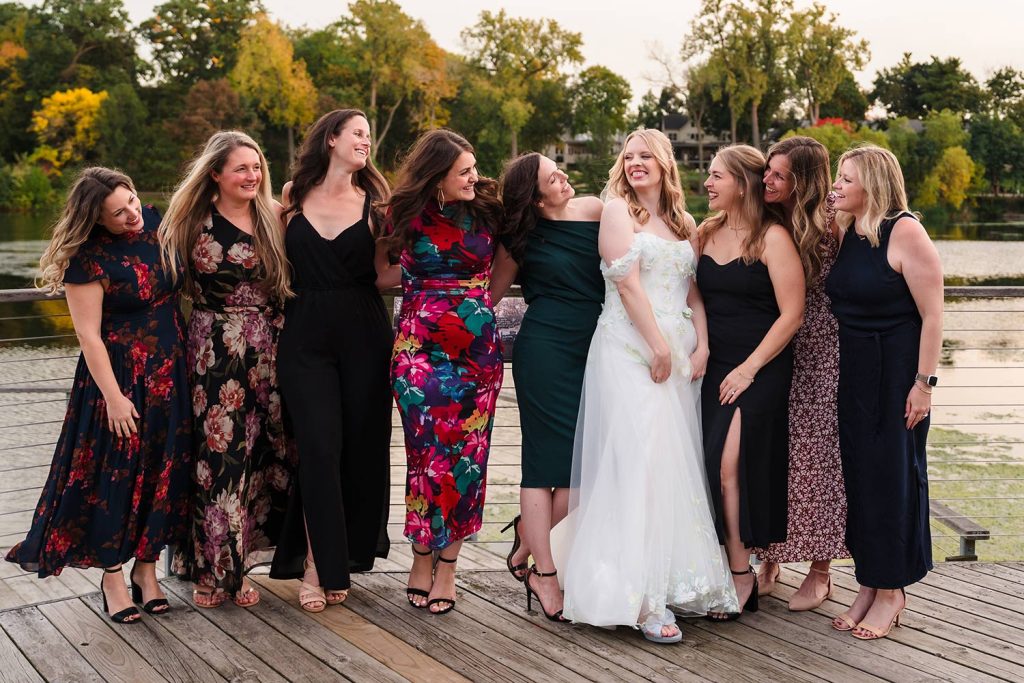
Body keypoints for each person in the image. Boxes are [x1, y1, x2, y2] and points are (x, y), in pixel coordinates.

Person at [559, 129, 738, 644]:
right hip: (629, 352)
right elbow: (628, 285)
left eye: (645, 156)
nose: (635, 163)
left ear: (664, 163)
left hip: (678, 360)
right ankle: (640, 599)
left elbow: (693, 291)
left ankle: (670, 580)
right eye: (628, 156)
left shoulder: (682, 222)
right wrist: (659, 345)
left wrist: (700, 345)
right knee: (635, 463)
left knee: (666, 467)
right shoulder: (618, 211)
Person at [6, 168, 192, 623]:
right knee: (115, 475)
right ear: (97, 220)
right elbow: (89, 337)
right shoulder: (87, 260)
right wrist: (113, 398)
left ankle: (146, 571)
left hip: (174, 373)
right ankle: (112, 575)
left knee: (164, 470)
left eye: (131, 202)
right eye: (118, 213)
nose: (132, 216)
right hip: (119, 381)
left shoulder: (156, 223)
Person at [160, 131, 295, 609]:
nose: (251, 176)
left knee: (266, 453)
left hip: (271, 350)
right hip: (213, 351)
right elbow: (160, 283)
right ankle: (217, 571)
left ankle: (249, 561)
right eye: (241, 168)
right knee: (219, 458)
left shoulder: (274, 217)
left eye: (256, 166)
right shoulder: (190, 222)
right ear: (215, 173)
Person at [268, 109, 392, 612]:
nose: (366, 141)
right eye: (358, 133)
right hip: (303, 335)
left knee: (359, 449)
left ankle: (341, 557)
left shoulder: (377, 205)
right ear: (332, 139)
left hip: (364, 332)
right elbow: (274, 262)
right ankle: (319, 568)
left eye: (368, 134)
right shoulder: (291, 195)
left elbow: (385, 276)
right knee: (317, 447)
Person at [380, 129, 505, 615]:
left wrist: (476, 305)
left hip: (476, 352)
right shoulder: (401, 214)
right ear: (438, 176)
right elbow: (379, 272)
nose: (474, 177)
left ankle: (448, 565)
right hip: (417, 351)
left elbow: (507, 264)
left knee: (468, 453)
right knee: (424, 454)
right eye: (464, 171)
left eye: (474, 168)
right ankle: (420, 553)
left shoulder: (488, 210)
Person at [825, 145, 942, 640]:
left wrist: (924, 385)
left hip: (898, 375)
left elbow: (934, 315)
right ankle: (869, 582)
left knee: (893, 480)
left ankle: (893, 591)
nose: (836, 187)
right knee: (862, 481)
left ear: (871, 183)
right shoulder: (848, 230)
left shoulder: (905, 230)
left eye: (846, 180)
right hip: (854, 373)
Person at [491, 152, 604, 621]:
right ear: (533, 198)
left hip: (598, 351)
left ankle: (525, 536)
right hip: (544, 352)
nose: (564, 176)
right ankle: (546, 573)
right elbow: (491, 295)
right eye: (551, 176)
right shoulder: (519, 239)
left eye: (560, 168)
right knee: (544, 465)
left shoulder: (597, 210)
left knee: (587, 465)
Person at [696, 144, 806, 621]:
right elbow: (690, 300)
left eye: (717, 176)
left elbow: (793, 314)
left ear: (741, 183)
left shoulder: (773, 237)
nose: (707, 183)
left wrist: (749, 369)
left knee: (728, 465)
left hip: (761, 364)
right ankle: (725, 564)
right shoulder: (704, 231)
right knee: (707, 465)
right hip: (713, 364)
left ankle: (742, 575)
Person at [754, 136, 850, 610]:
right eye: (768, 170)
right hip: (774, 339)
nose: (767, 179)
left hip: (824, 347)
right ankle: (768, 556)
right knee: (775, 451)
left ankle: (820, 568)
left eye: (778, 174)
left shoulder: (836, 214)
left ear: (805, 179)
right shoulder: (768, 211)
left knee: (818, 459)